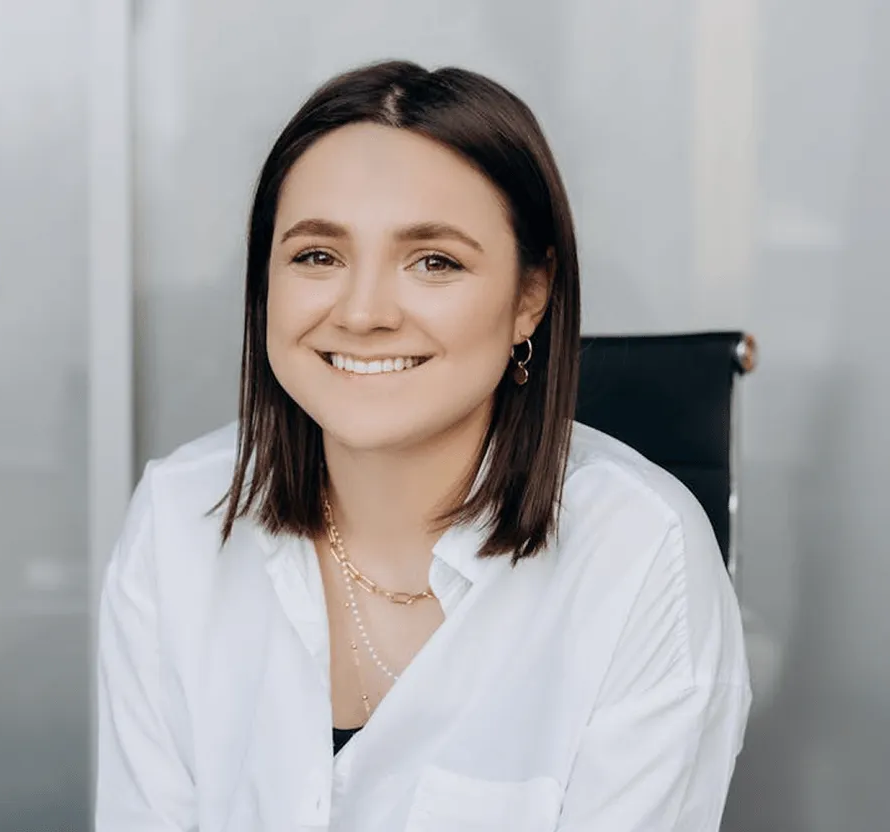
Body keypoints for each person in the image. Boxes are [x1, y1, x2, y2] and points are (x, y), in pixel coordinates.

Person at [95, 59, 751, 832]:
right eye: (318, 256)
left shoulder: (642, 552)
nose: (364, 311)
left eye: (434, 261)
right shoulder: (180, 517)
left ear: (530, 298)